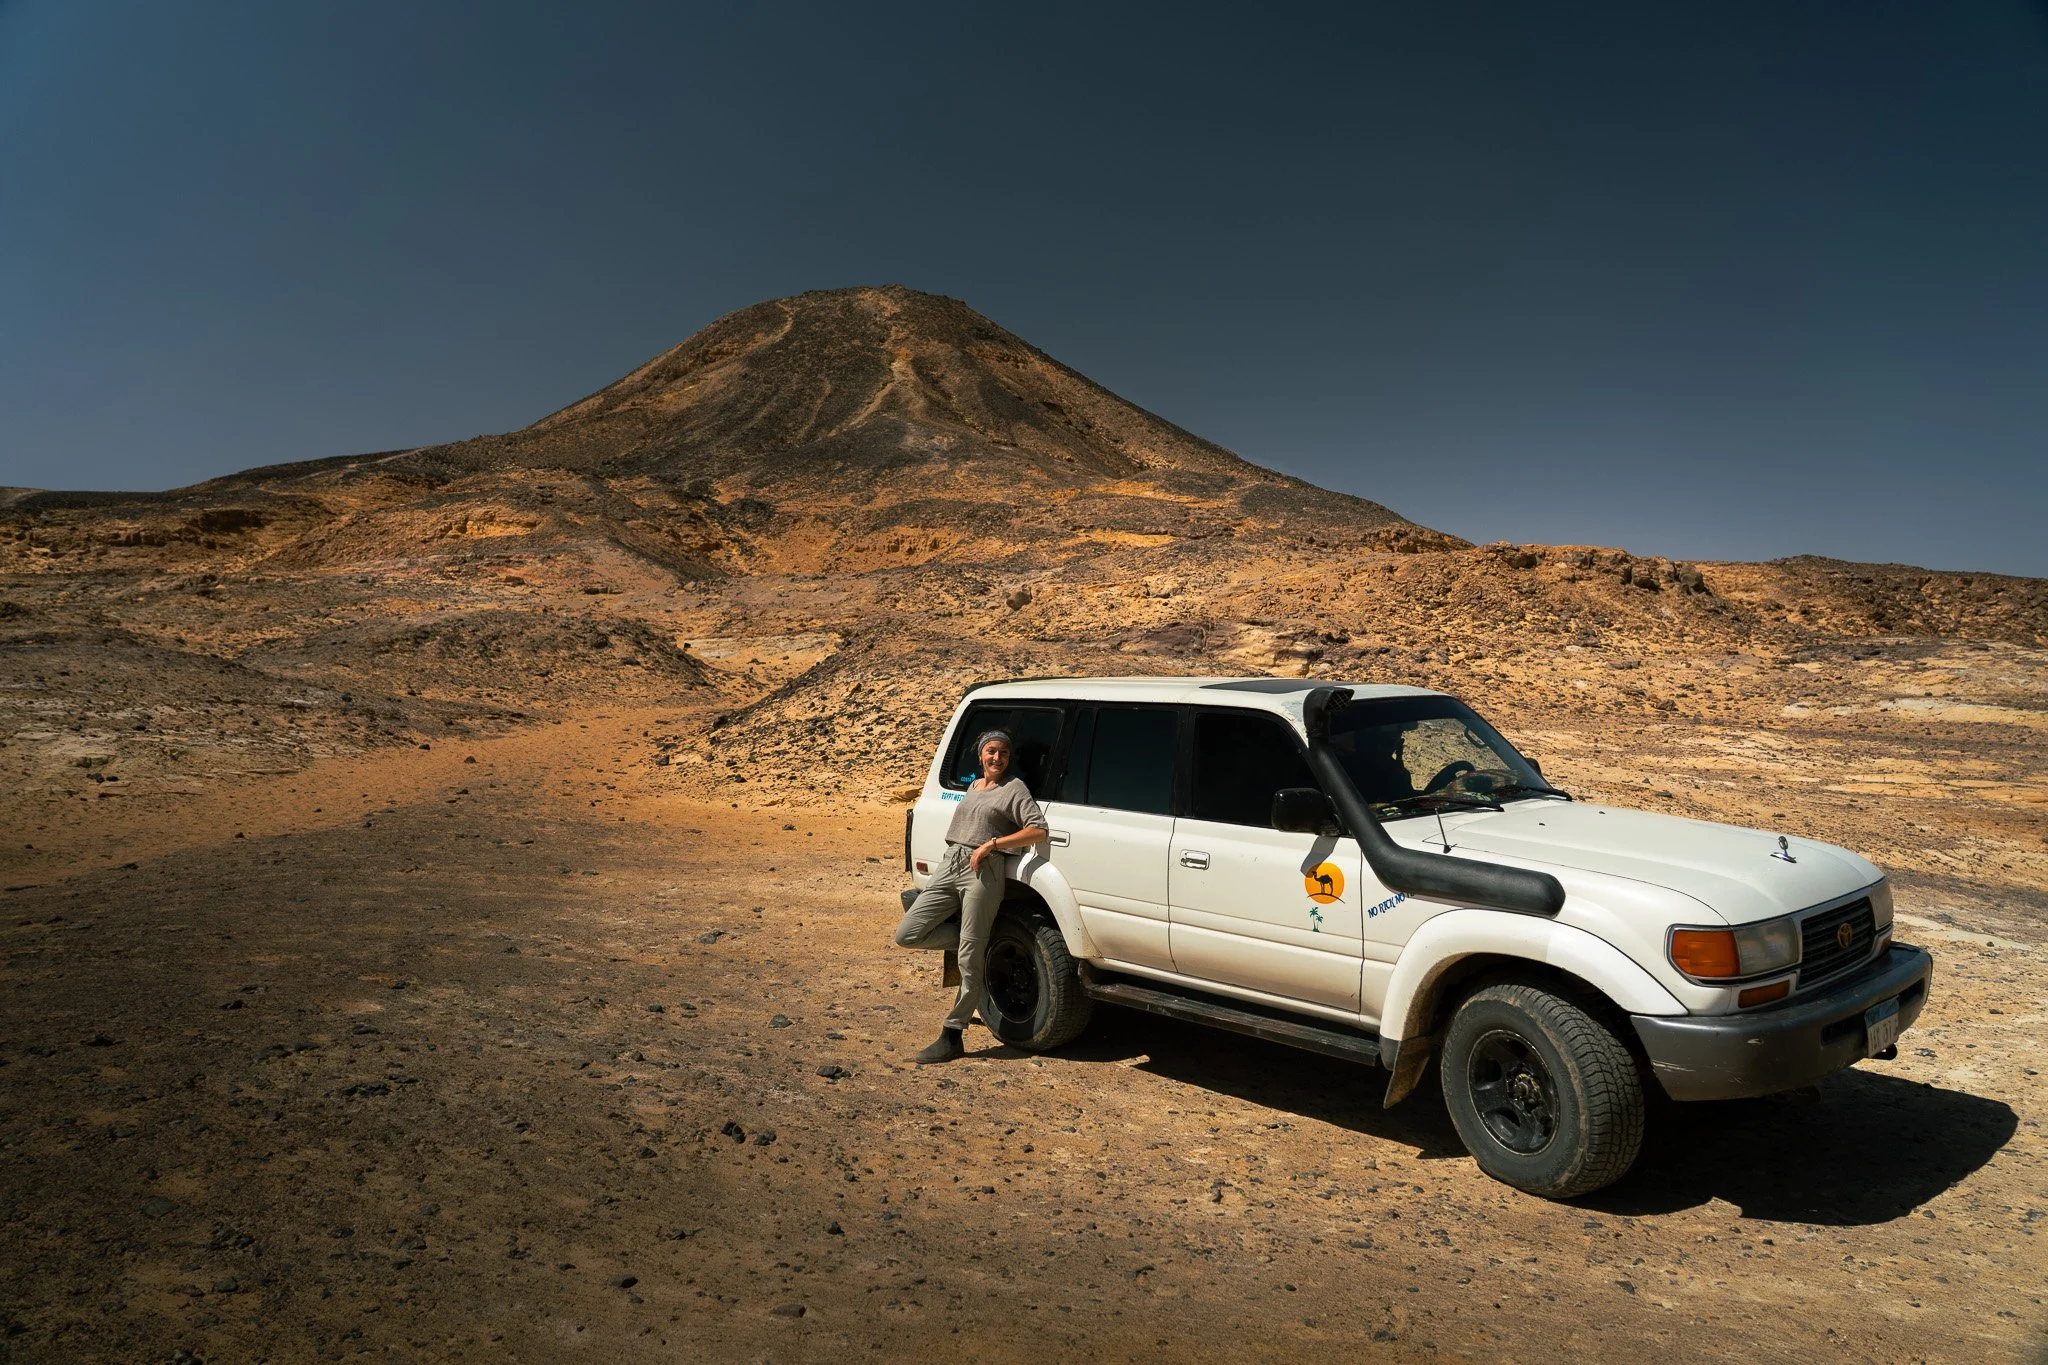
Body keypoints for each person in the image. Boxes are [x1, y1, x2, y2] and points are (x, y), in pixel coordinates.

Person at [892, 728, 1048, 1063]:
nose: (997, 758)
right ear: (980, 755)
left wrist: (992, 845)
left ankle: (953, 1033)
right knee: (908, 933)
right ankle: (975, 943)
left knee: (968, 958)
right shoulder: (973, 787)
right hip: (952, 864)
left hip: (984, 869)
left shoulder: (1014, 788)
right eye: (991, 751)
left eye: (1003, 753)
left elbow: (1037, 829)